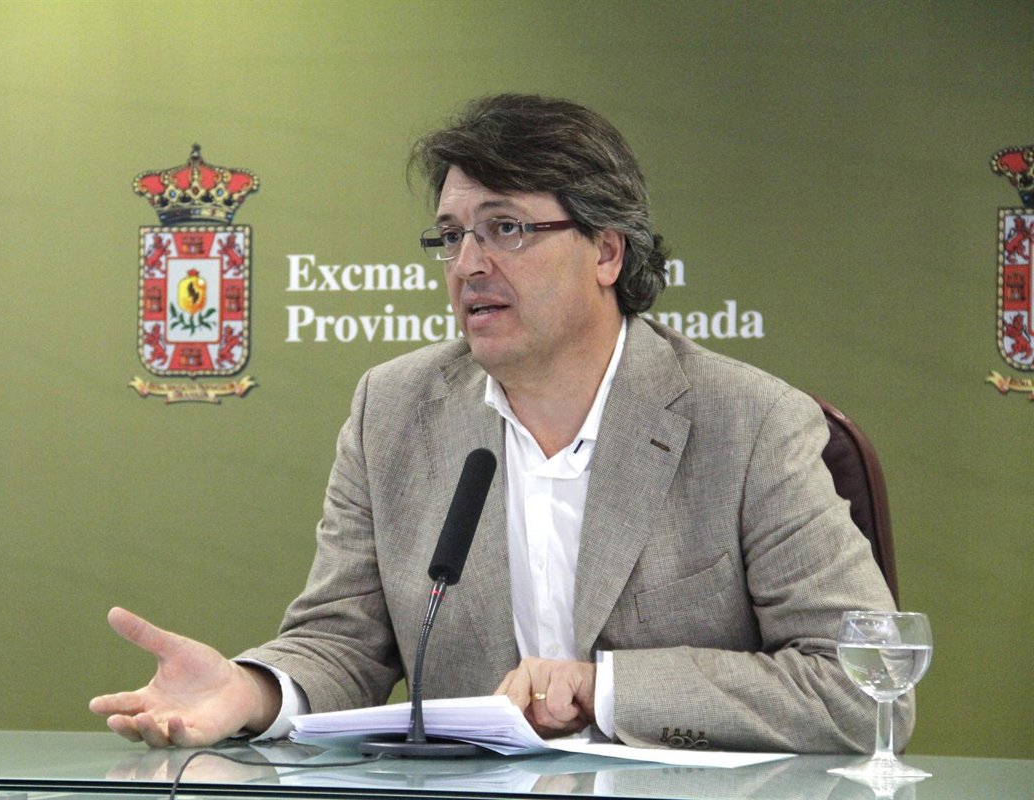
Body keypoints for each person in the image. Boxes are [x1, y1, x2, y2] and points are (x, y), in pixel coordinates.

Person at [90, 94, 908, 753]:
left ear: (607, 253)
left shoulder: (750, 423)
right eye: (452, 237)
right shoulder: (393, 410)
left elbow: (862, 690)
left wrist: (606, 689)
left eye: (507, 229)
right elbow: (342, 642)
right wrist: (252, 691)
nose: (469, 265)